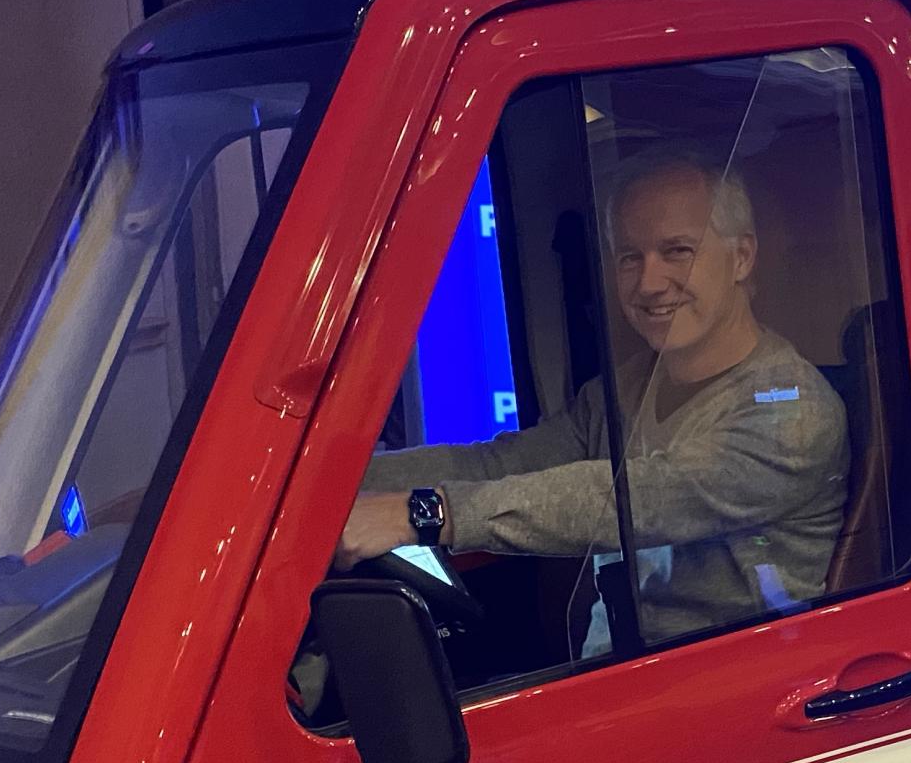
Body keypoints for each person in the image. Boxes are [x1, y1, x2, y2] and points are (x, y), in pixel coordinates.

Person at [341, 150, 848, 654]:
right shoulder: (627, 387)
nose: (649, 284)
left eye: (677, 251)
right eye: (630, 257)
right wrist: (330, 488)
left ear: (741, 258)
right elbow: (498, 463)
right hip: (624, 671)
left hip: (740, 689)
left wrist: (423, 513)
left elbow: (636, 500)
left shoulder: (790, 411)